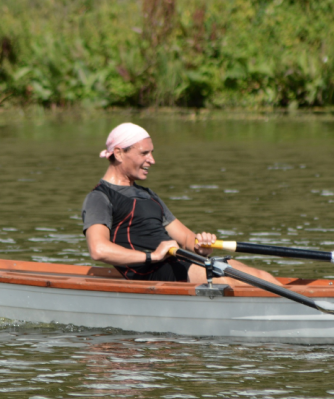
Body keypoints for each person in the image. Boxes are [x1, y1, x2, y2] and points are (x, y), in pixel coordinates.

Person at [81, 122, 282, 286]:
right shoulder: (99, 197)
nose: (152, 160)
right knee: (238, 281)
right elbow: (98, 249)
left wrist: (201, 246)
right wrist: (152, 256)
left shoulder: (149, 195)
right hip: (154, 271)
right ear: (118, 153)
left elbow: (186, 238)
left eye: (151, 153)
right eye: (144, 153)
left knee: (259, 275)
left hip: (181, 260)